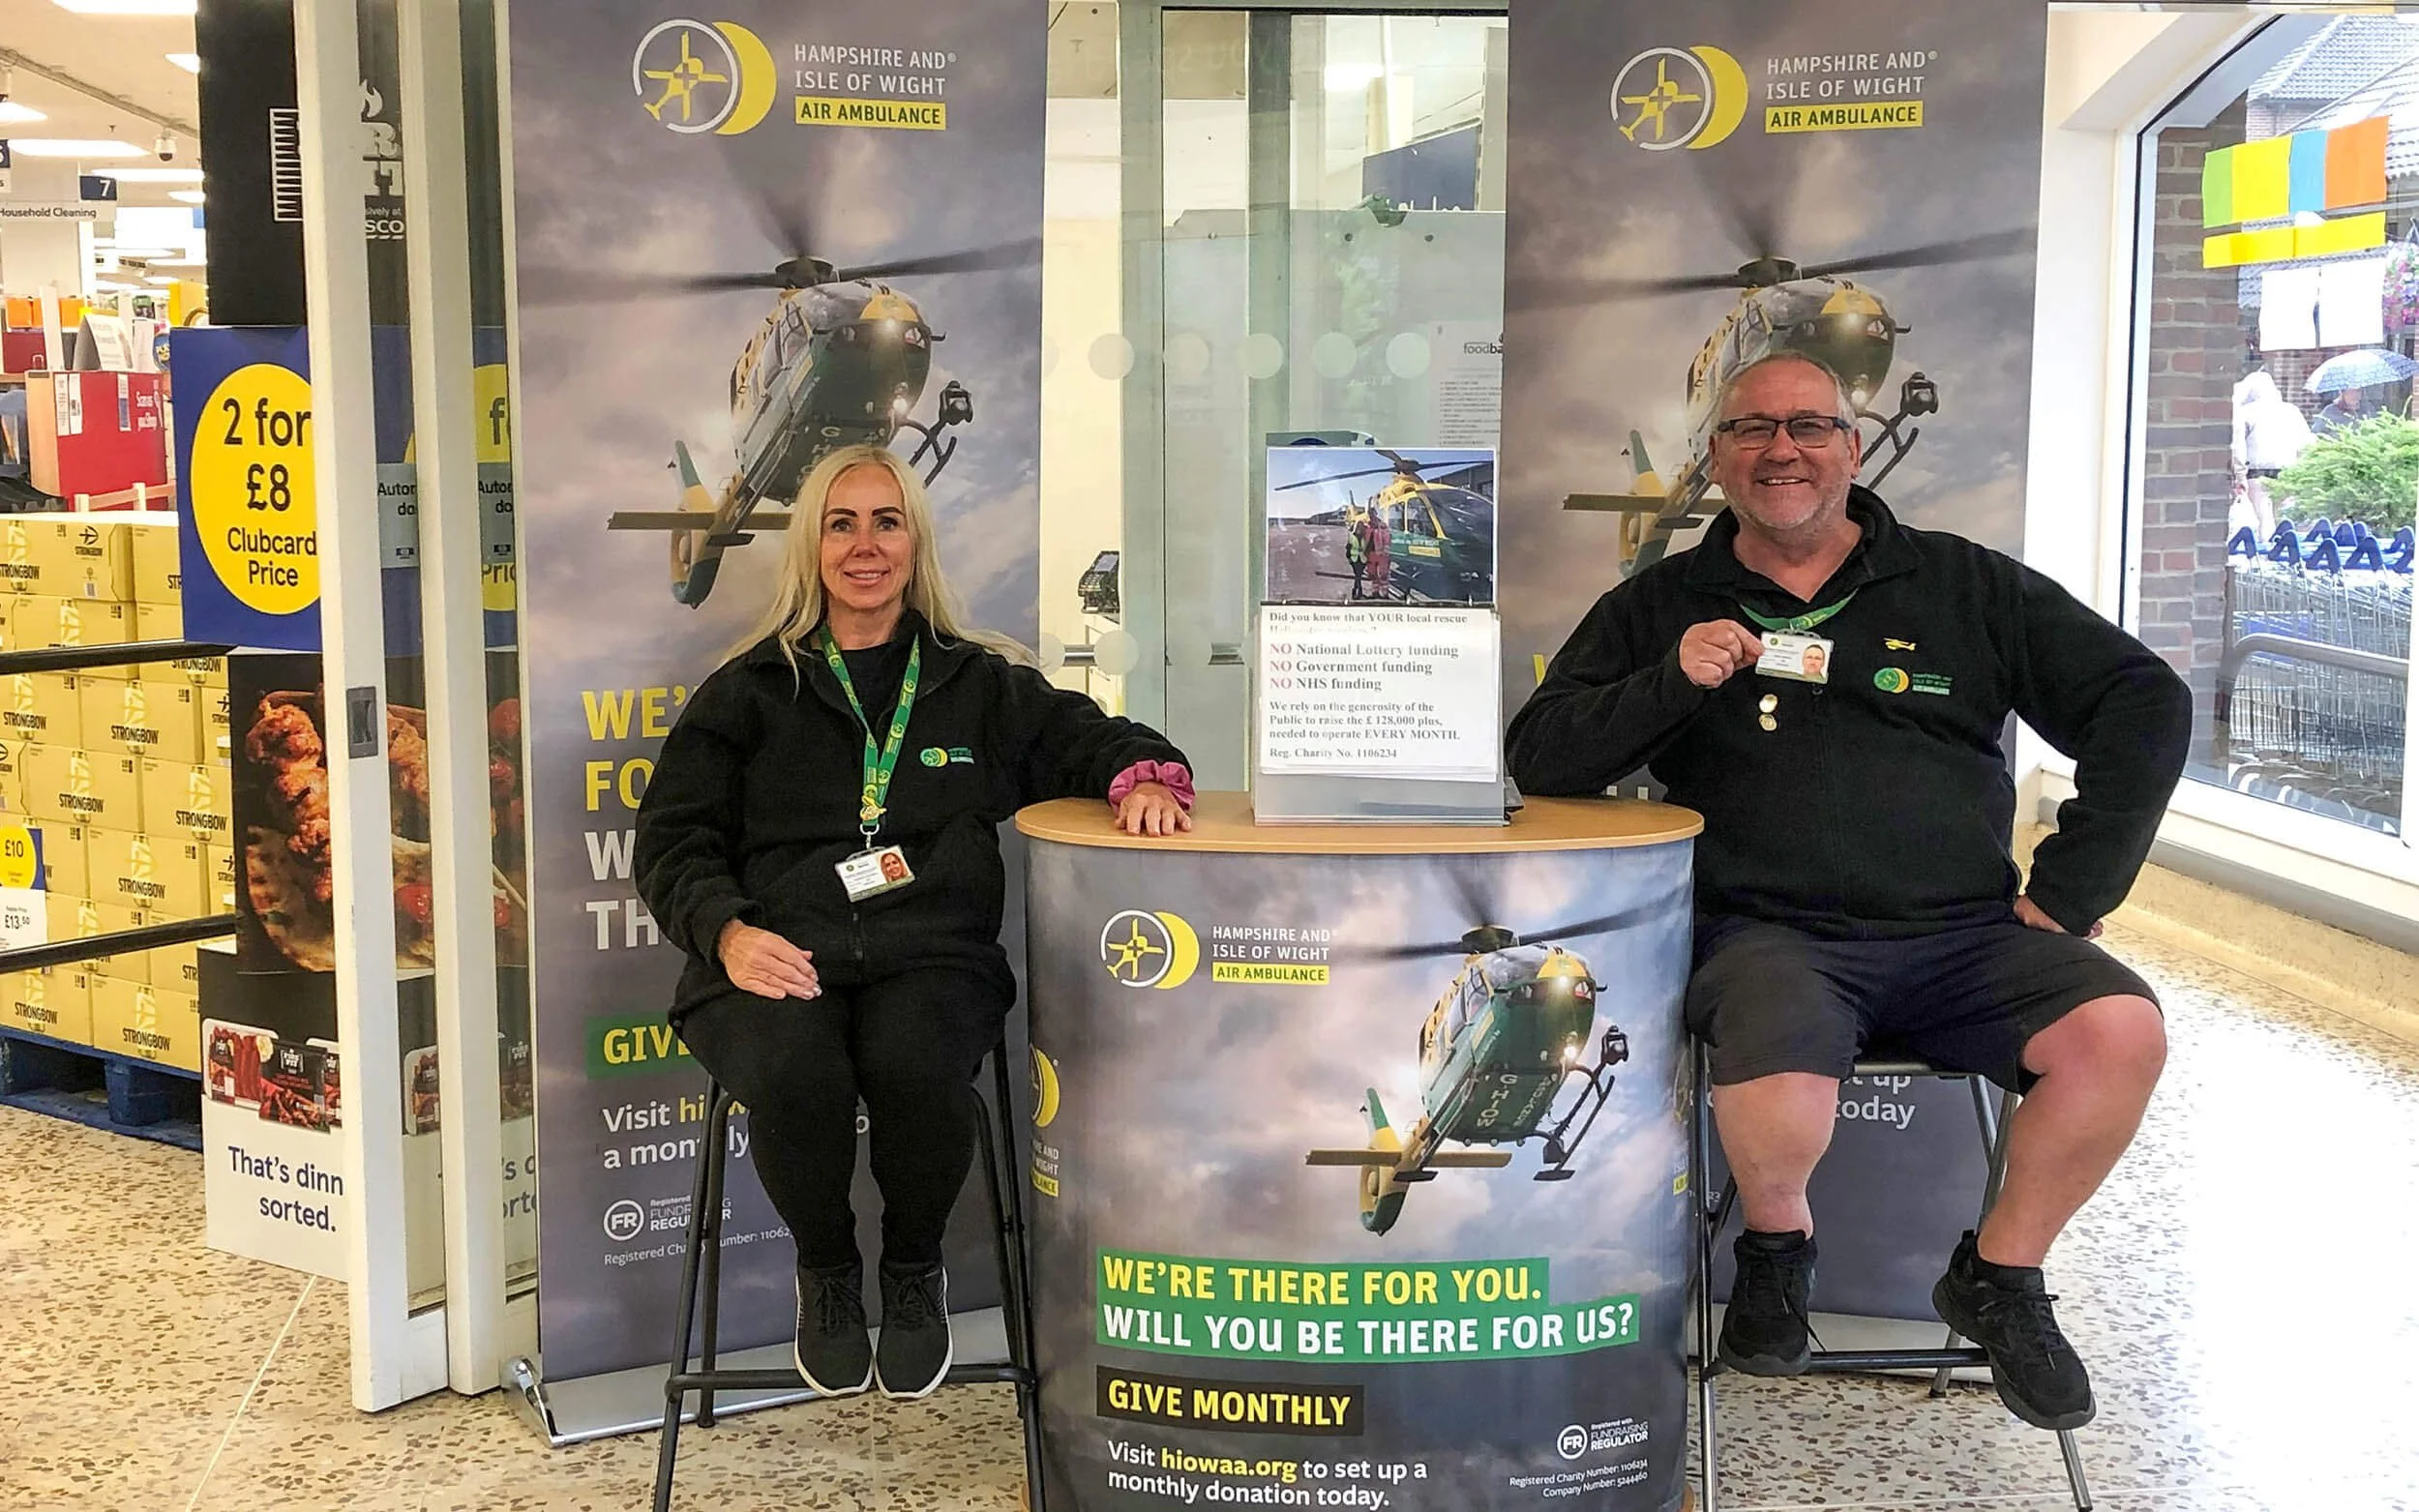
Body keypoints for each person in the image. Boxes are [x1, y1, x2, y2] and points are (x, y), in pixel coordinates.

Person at [1507, 352, 2190, 1434]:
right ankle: (1777, 1251)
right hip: (1771, 936)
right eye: (1752, 430)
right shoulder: (1662, 603)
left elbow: (2143, 703)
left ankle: (2000, 1278)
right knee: (1778, 1070)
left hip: (1967, 934)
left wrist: (2071, 888)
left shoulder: (1965, 584)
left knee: (2119, 1032)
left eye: (1809, 426)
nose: (1782, 449)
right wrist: (1667, 682)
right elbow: (1539, 760)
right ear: (1717, 458)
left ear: (1851, 446)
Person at [636, 443, 1195, 1403]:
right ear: (811, 547)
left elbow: (1087, 736)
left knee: (913, 1063)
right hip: (779, 949)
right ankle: (828, 1276)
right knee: (794, 1069)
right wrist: (726, 932)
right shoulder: (751, 691)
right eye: (841, 524)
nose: (865, 545)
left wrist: (1141, 777)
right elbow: (672, 839)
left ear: (914, 544)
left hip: (928, 955)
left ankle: (911, 1271)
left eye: (885, 522)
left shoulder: (974, 683)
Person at [2231, 369, 2311, 541]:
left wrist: (2239, 476)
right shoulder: (2292, 411)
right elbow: (2306, 445)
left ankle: (2267, 561)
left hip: (2258, 475)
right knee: (2285, 521)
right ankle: (2287, 557)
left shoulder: (2246, 412)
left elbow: (2238, 446)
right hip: (2289, 474)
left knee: (2264, 521)